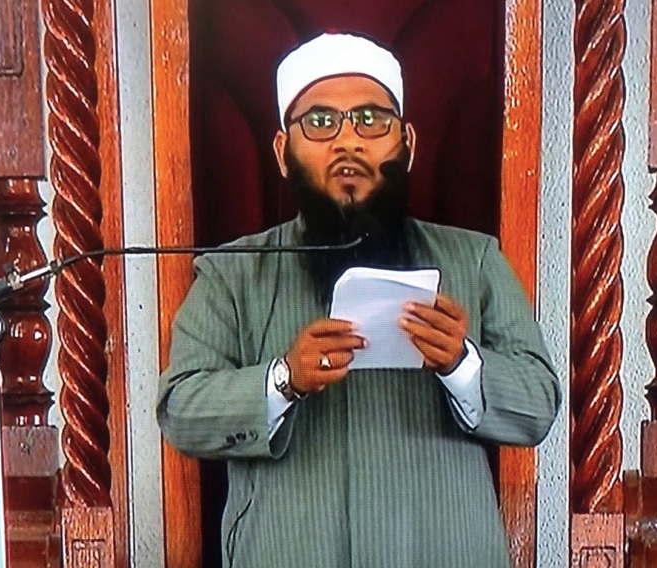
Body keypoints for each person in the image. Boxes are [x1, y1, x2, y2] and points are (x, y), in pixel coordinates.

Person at [157, 32, 560, 568]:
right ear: (283, 152)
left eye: (371, 120)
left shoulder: (475, 259)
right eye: (320, 122)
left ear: (407, 143)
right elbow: (180, 410)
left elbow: (539, 405)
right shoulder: (233, 273)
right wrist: (283, 379)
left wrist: (462, 364)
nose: (348, 142)